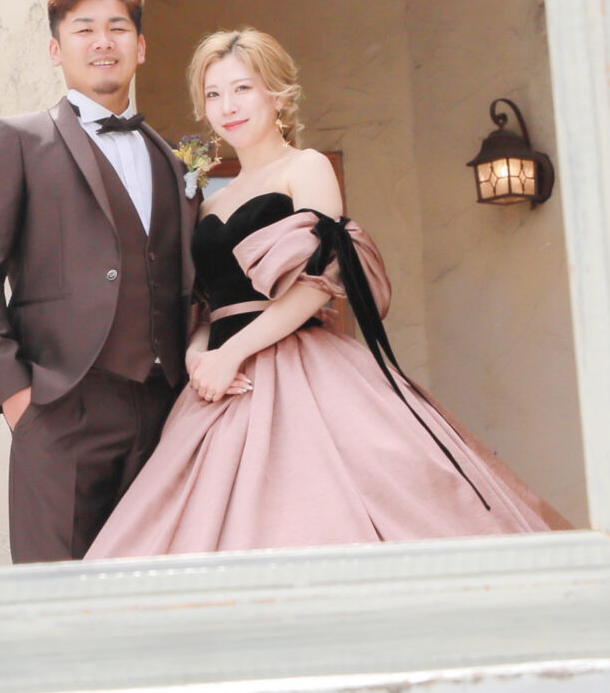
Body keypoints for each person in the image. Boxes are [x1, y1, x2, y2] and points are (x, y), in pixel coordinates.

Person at [86, 28, 567, 558]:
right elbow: (207, 303)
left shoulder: (306, 167)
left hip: (299, 364)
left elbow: (320, 283)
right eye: (214, 94)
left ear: (277, 94)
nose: (228, 106)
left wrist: (233, 353)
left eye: (242, 89)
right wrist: (198, 354)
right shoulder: (208, 200)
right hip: (220, 378)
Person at [0, 0, 201, 563]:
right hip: (61, 406)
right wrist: (16, 397)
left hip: (164, 408)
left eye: (118, 28)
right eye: (84, 29)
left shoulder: (177, 159)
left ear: (141, 47)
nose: (102, 41)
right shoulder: (18, 140)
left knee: (150, 586)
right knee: (56, 593)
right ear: (55, 50)